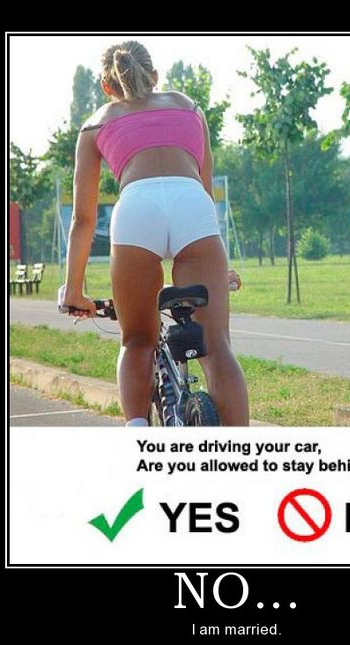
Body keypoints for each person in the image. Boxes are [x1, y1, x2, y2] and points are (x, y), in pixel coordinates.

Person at [63, 41, 249, 427]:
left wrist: (74, 292)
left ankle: (139, 434)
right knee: (217, 348)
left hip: (137, 210)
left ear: (107, 86)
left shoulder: (94, 124)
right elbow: (205, 191)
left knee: (137, 341)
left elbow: (83, 220)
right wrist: (220, 269)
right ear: (155, 76)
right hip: (192, 204)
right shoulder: (189, 107)